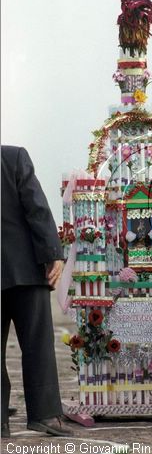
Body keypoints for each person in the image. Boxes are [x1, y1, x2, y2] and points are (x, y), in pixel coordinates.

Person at [1, 146, 74, 438]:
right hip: (25, 270)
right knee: (38, 345)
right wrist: (53, 253)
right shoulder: (13, 157)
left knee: (37, 344)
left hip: (25, 272)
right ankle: (44, 415)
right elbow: (37, 208)